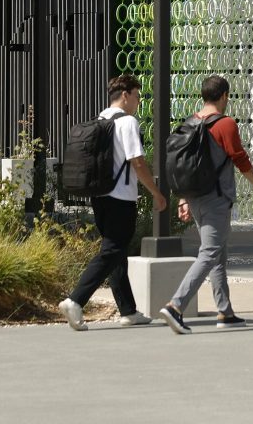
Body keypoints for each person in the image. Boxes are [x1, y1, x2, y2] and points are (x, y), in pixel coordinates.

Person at [58, 74, 167, 330]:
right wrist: (156, 192)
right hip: (121, 198)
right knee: (112, 252)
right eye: (138, 96)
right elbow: (137, 162)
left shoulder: (102, 118)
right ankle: (75, 300)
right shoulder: (127, 122)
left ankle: (128, 311)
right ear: (126, 95)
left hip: (100, 197)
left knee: (117, 253)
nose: (139, 102)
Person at [159, 74, 253, 334]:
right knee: (210, 253)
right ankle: (176, 305)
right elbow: (239, 158)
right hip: (215, 198)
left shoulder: (192, 122)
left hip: (195, 196)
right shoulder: (224, 124)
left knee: (217, 253)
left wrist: (183, 197)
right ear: (224, 96)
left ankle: (224, 310)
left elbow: (185, 166)